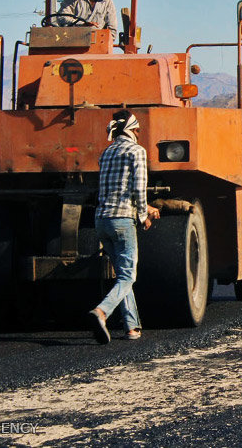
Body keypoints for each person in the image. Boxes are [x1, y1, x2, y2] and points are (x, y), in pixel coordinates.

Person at [89, 109, 160, 344]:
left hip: (102, 220)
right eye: (138, 130)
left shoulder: (107, 152)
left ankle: (131, 327)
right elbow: (138, 189)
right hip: (122, 221)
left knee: (122, 275)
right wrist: (143, 216)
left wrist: (146, 208)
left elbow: (115, 188)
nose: (140, 134)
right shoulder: (137, 152)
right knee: (129, 276)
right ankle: (101, 312)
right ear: (133, 130)